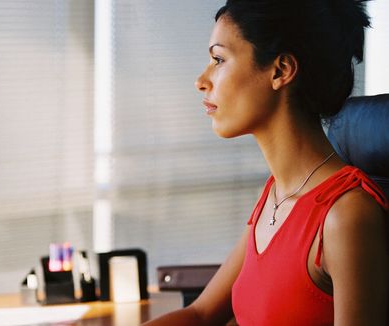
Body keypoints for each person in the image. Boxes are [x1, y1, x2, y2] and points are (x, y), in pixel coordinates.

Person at [144, 0, 388, 325]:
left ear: (280, 70)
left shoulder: (346, 216)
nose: (201, 80)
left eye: (219, 59)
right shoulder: (276, 194)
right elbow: (200, 315)